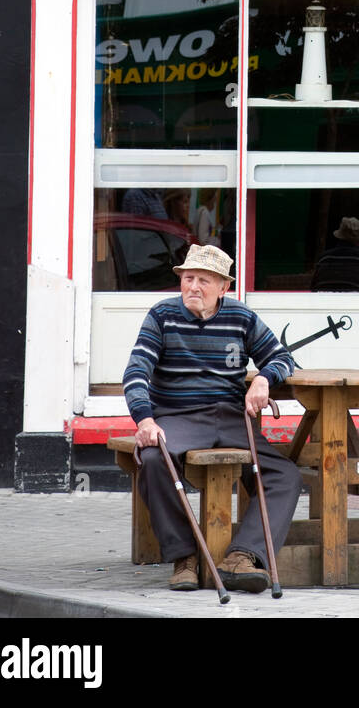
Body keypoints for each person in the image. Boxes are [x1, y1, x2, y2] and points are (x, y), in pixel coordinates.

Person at [123, 243, 304, 593]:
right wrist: (145, 420)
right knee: (153, 459)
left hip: (232, 416)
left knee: (285, 475)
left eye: (204, 281)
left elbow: (282, 358)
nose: (193, 287)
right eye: (188, 278)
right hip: (179, 416)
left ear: (223, 287)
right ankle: (184, 557)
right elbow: (135, 372)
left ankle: (242, 555)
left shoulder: (241, 317)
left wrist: (264, 378)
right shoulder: (162, 316)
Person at [311, 216, 359, 292]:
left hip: (325, 304)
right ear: (358, 240)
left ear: (339, 236)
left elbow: (314, 287)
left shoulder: (323, 259)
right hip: (355, 304)